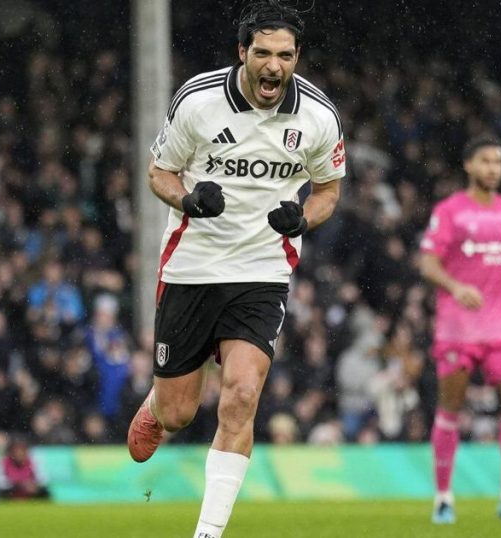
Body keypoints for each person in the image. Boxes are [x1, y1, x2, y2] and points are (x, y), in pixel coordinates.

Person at [126, 1, 346, 536]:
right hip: (192, 266)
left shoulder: (318, 116)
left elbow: (328, 191)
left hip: (262, 270)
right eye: (263, 53)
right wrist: (187, 200)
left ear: (297, 57)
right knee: (179, 414)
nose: (274, 66)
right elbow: (158, 173)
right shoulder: (198, 101)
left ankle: (208, 532)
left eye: (285, 56)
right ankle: (158, 403)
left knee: (243, 394)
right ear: (242, 52)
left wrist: (303, 219)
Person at [418, 136, 501, 524]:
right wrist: (456, 286)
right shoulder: (450, 211)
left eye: (498, 162)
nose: (493, 168)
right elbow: (427, 263)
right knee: (451, 408)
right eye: (486, 161)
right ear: (469, 165)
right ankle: (443, 498)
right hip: (458, 329)